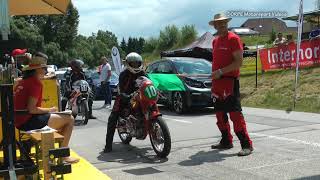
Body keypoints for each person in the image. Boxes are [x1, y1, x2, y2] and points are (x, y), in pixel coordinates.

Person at [14, 52, 79, 164]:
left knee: (60, 119)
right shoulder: (36, 83)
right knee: (70, 119)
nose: (45, 71)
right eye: (44, 68)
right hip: (28, 121)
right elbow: (32, 109)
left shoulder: (24, 81)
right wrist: (50, 109)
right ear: (37, 70)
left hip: (19, 120)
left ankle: (54, 152)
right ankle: (62, 156)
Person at [209, 13, 253, 156]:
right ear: (214, 25)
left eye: (224, 23)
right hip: (217, 83)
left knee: (235, 114)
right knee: (220, 115)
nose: (222, 25)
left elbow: (239, 62)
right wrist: (215, 75)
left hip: (229, 82)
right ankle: (226, 141)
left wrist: (221, 71)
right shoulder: (215, 41)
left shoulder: (233, 39)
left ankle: (246, 145)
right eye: (219, 23)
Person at [104, 52, 146, 153]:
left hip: (139, 96)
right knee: (113, 118)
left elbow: (149, 82)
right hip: (124, 97)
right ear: (128, 64)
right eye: (133, 64)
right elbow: (121, 90)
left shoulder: (142, 73)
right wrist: (126, 96)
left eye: (137, 63)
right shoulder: (124, 74)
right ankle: (108, 145)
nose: (136, 65)